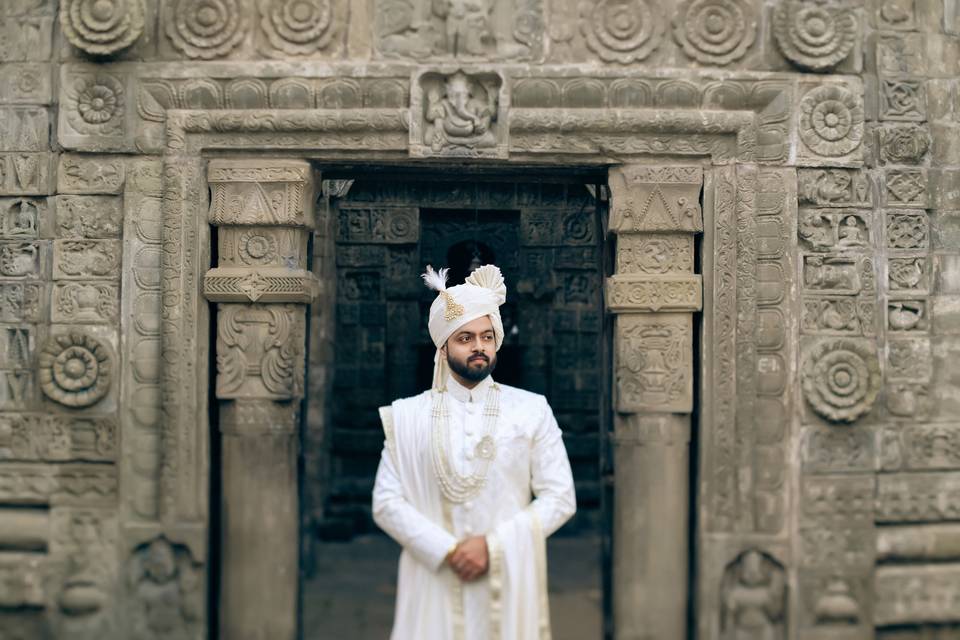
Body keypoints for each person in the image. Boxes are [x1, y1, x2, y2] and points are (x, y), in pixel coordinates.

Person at [372, 264, 576, 640]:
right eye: (465, 337)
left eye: (486, 336)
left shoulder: (531, 410)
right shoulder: (407, 416)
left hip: (507, 576)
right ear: (444, 345)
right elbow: (386, 502)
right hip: (433, 574)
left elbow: (560, 497)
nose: (479, 346)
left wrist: (492, 547)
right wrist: (449, 551)